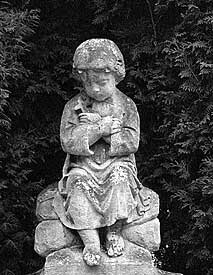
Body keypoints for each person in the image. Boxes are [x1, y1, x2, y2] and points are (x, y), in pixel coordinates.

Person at [52, 38, 148, 266]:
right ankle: (91, 241)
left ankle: (114, 231)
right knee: (78, 186)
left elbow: (131, 142)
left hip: (117, 164)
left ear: (115, 77)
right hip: (83, 167)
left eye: (102, 82)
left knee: (119, 180)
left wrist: (106, 131)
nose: (95, 89)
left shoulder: (127, 106)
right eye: (89, 83)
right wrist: (97, 129)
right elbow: (68, 141)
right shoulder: (73, 106)